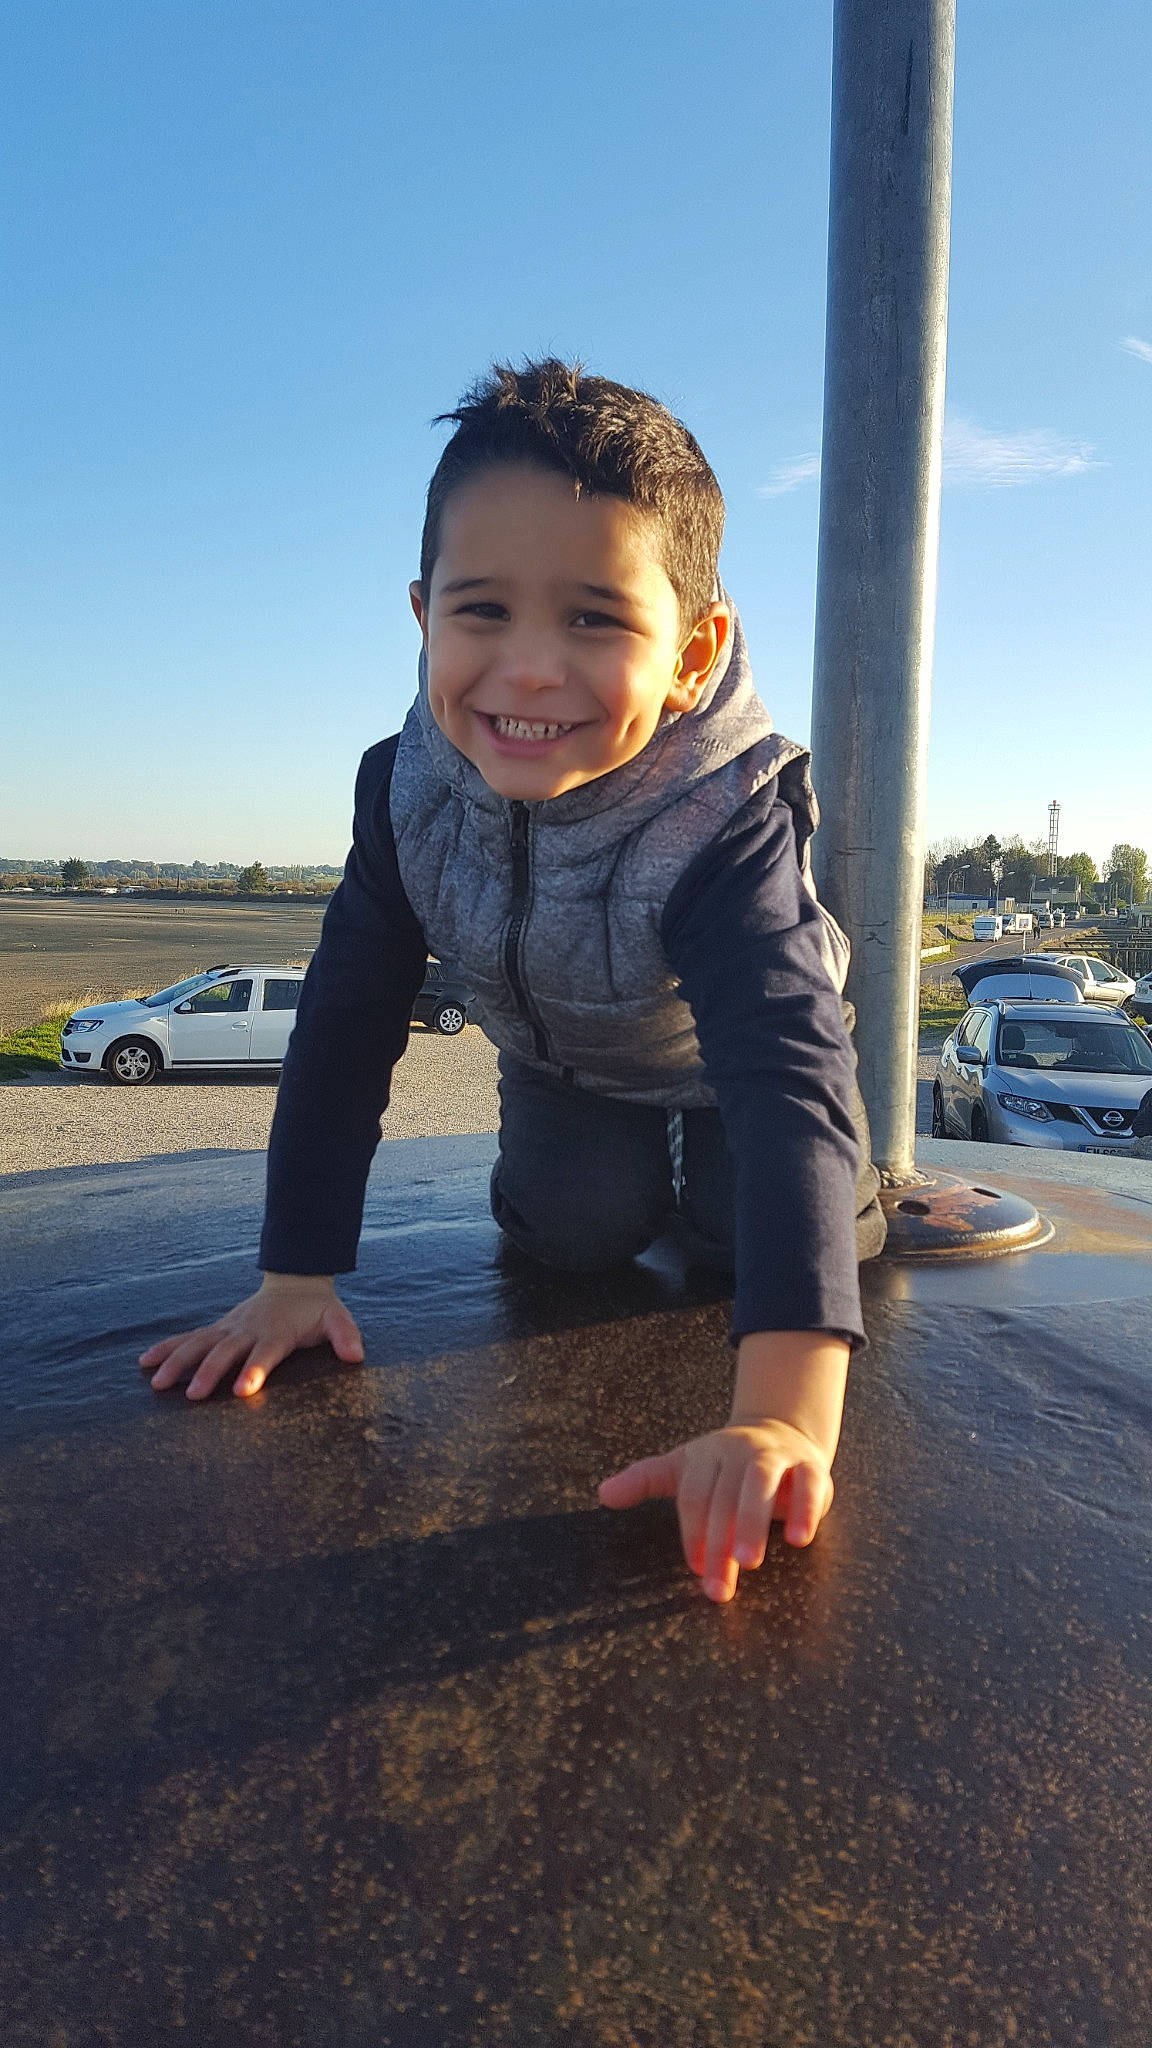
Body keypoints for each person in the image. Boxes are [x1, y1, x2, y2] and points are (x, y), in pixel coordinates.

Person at [140, 359, 886, 1605]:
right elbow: (346, 1019)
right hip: (566, 1063)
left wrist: (782, 1414)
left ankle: (853, 1197)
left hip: (724, 1066)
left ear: (693, 650)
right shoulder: (405, 792)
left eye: (595, 619)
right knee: (570, 1235)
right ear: (423, 614)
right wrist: (295, 1275)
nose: (530, 668)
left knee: (742, 1233)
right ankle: (627, 1178)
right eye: (482, 610)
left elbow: (784, 1077)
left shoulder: (722, 816)